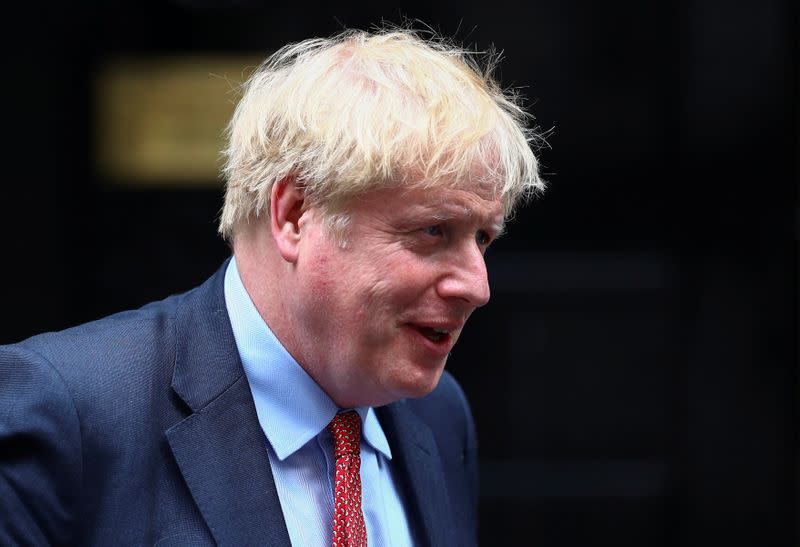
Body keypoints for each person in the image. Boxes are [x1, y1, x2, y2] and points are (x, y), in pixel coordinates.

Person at [0, 27, 543, 546]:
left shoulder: (438, 417)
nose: (477, 286)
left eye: (483, 238)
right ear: (294, 215)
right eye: (433, 231)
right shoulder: (68, 412)